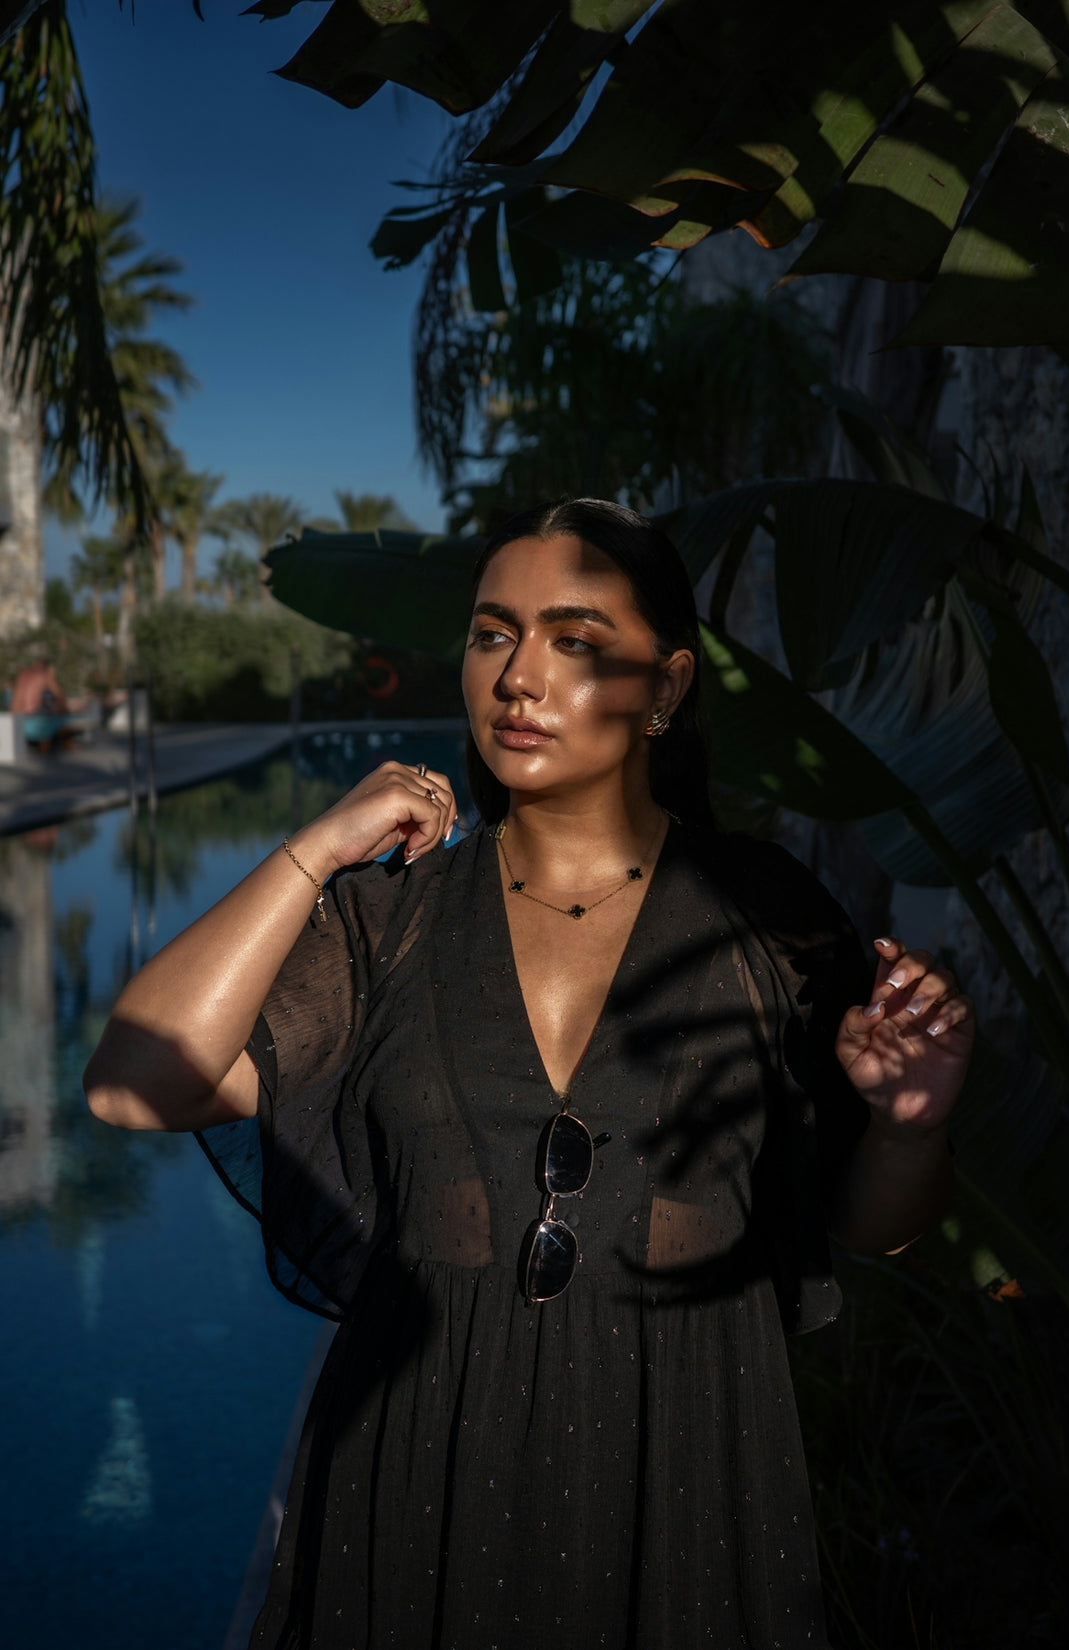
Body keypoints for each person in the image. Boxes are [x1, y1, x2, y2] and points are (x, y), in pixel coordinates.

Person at [85, 498, 973, 1650]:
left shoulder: (772, 926)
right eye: (491, 633)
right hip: (408, 1494)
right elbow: (129, 1083)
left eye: (575, 639)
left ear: (663, 687)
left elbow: (868, 1227)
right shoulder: (386, 921)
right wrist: (311, 852)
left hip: (688, 1494)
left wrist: (907, 1127)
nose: (518, 676)